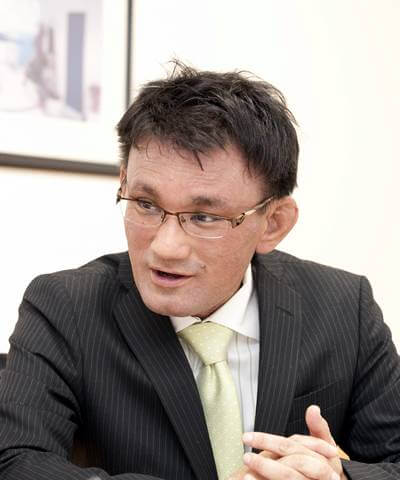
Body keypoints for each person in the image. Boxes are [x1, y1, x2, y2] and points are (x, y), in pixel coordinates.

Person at [0, 61, 399, 480]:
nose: (165, 247)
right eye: (146, 205)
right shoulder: (65, 306)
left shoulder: (344, 308)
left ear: (274, 223)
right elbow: (15, 461)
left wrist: (338, 477)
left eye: (204, 217)